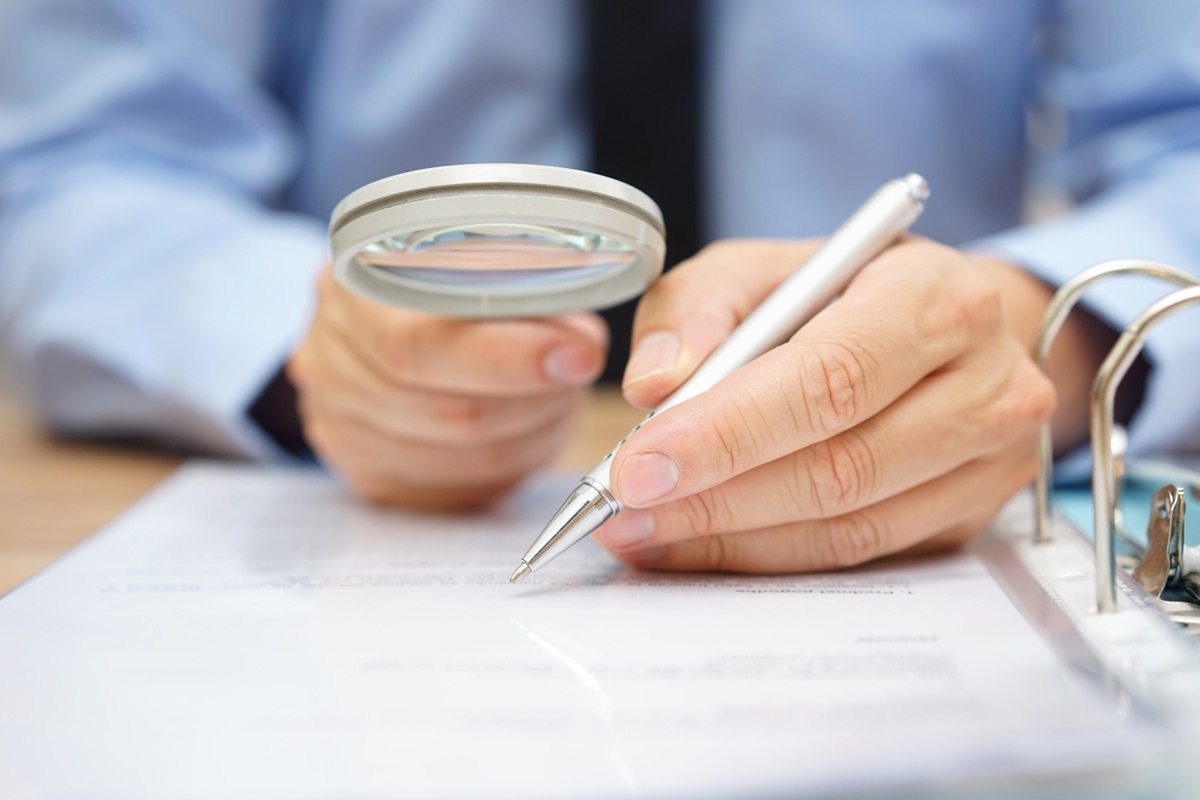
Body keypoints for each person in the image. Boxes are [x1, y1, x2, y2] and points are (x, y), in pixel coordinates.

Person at [1, 1, 1198, 574]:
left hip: (960, 478)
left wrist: (1043, 332)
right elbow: (76, 166)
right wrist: (310, 355)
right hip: (348, 490)